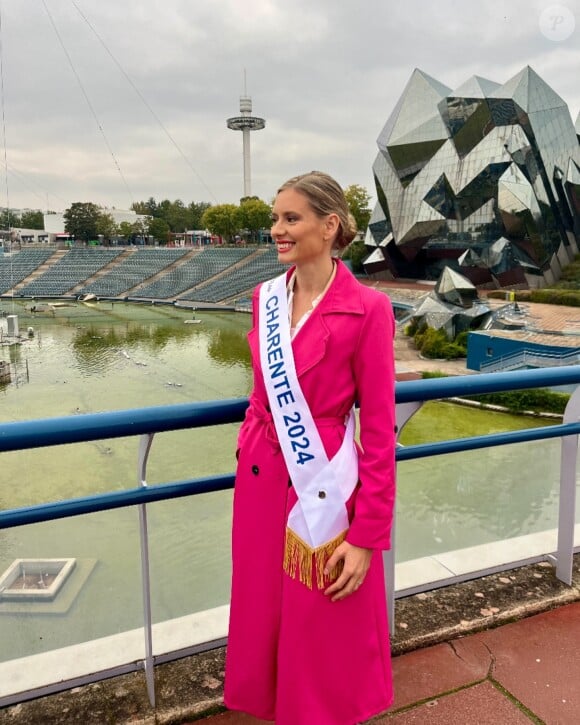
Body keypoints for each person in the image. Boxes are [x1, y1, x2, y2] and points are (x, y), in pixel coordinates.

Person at [224, 171, 397, 725]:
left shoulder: (368, 308)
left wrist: (369, 535)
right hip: (260, 481)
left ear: (330, 226)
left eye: (290, 218)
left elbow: (379, 429)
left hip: (323, 485)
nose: (276, 229)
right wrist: (249, 435)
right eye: (275, 218)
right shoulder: (264, 299)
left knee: (321, 615)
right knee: (263, 609)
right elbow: (259, 394)